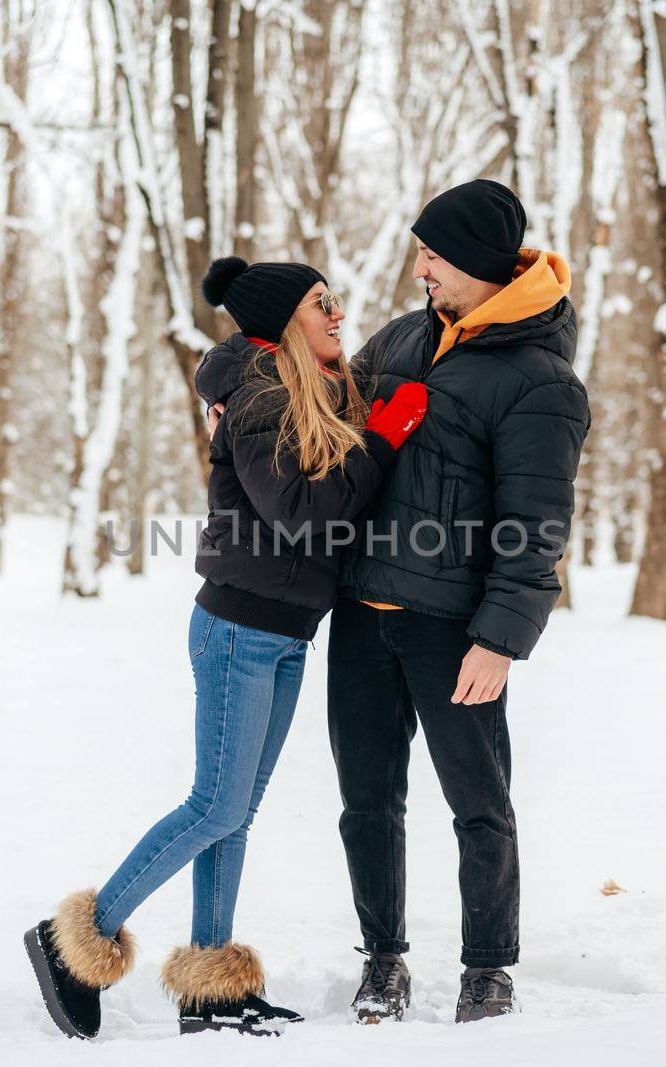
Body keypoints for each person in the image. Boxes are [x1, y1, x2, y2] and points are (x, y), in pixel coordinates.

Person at [24, 256, 429, 1039]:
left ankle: (211, 987)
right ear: (284, 320)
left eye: (337, 301)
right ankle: (72, 942)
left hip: (286, 632)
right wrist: (379, 441)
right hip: (238, 628)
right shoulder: (254, 397)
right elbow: (302, 511)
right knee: (214, 805)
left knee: (234, 813)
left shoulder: (310, 388)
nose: (339, 314)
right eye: (323, 304)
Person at [328, 179, 590, 1023]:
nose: (419, 269)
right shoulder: (404, 339)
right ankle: (384, 958)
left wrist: (502, 641)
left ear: (476, 262)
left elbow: (536, 525)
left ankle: (488, 969)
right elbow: (329, 421)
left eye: (432, 254)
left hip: (455, 630)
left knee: (478, 801)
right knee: (367, 800)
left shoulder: (537, 378)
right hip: (364, 613)